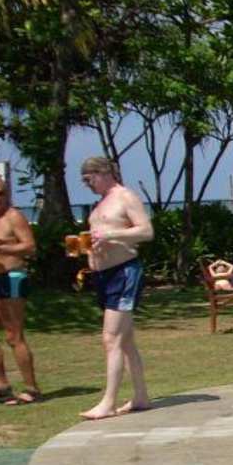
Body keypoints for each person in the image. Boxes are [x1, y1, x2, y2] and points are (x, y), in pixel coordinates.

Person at [79, 156, 153, 420]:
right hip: (103, 275)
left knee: (111, 338)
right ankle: (141, 396)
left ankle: (108, 402)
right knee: (126, 340)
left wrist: (111, 235)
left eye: (89, 179)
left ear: (103, 172)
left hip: (124, 273)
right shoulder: (101, 203)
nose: (88, 185)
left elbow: (146, 231)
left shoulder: (125, 197)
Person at [0, 174, 42, 405]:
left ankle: (32, 389)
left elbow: (30, 247)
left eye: (1, 193)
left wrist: (2, 247)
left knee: (14, 336)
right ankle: (1, 385)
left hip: (13, 277)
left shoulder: (14, 216)